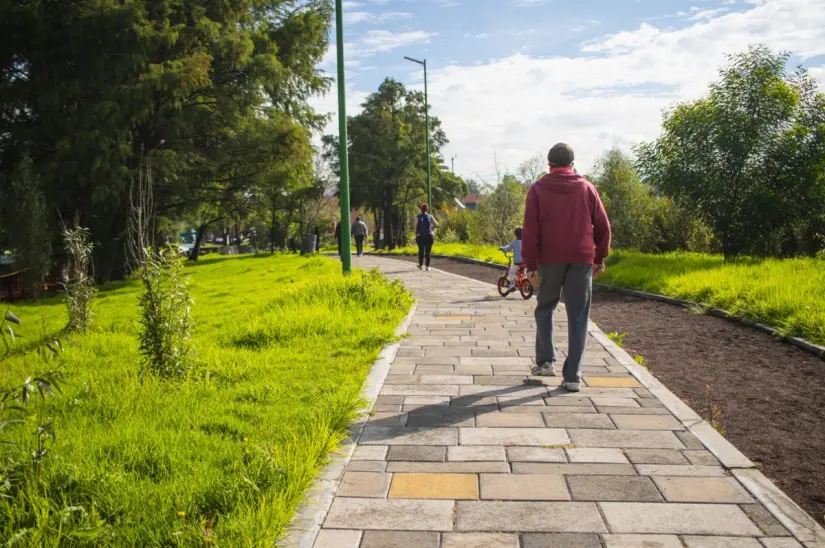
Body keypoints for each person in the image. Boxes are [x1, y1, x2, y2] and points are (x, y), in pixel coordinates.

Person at [522, 143, 611, 392]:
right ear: (572, 164)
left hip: (549, 260)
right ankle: (573, 376)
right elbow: (603, 227)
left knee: (545, 307)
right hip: (581, 260)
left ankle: (546, 362)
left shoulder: (538, 189)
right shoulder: (587, 188)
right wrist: (600, 257)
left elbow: (530, 230)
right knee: (579, 315)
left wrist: (530, 264)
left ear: (549, 163)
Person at [413, 203, 438, 271]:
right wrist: (431, 228)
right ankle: (427, 267)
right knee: (428, 251)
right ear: (427, 209)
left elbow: (415, 226)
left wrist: (418, 230)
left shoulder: (417, 217)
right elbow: (437, 224)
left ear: (421, 209)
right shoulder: (430, 216)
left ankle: (420, 265)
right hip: (429, 236)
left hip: (420, 236)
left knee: (421, 250)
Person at [500, 227, 523, 292]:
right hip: (525, 262)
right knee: (522, 272)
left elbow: (507, 249)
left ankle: (512, 285)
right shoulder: (526, 241)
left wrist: (502, 249)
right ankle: (523, 283)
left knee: (511, 273)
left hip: (517, 262)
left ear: (515, 235)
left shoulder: (514, 242)